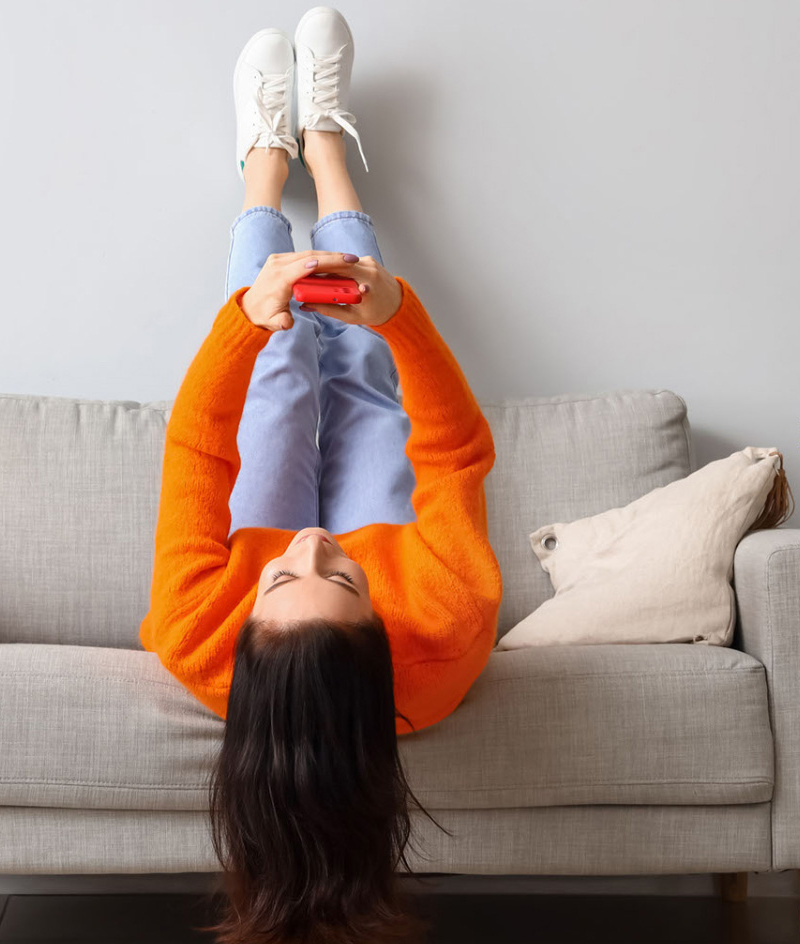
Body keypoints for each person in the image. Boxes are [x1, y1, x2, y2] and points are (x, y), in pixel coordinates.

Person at [136, 9, 502, 944]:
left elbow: (196, 450)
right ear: (383, 637)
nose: (309, 543)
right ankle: (328, 149)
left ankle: (263, 168)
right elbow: (453, 451)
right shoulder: (446, 631)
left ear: (243, 636)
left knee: (279, 373)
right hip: (397, 564)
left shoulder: (195, 632)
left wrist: (246, 318)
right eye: (339, 579)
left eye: (281, 579)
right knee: (370, 381)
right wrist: (399, 315)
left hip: (268, 580)